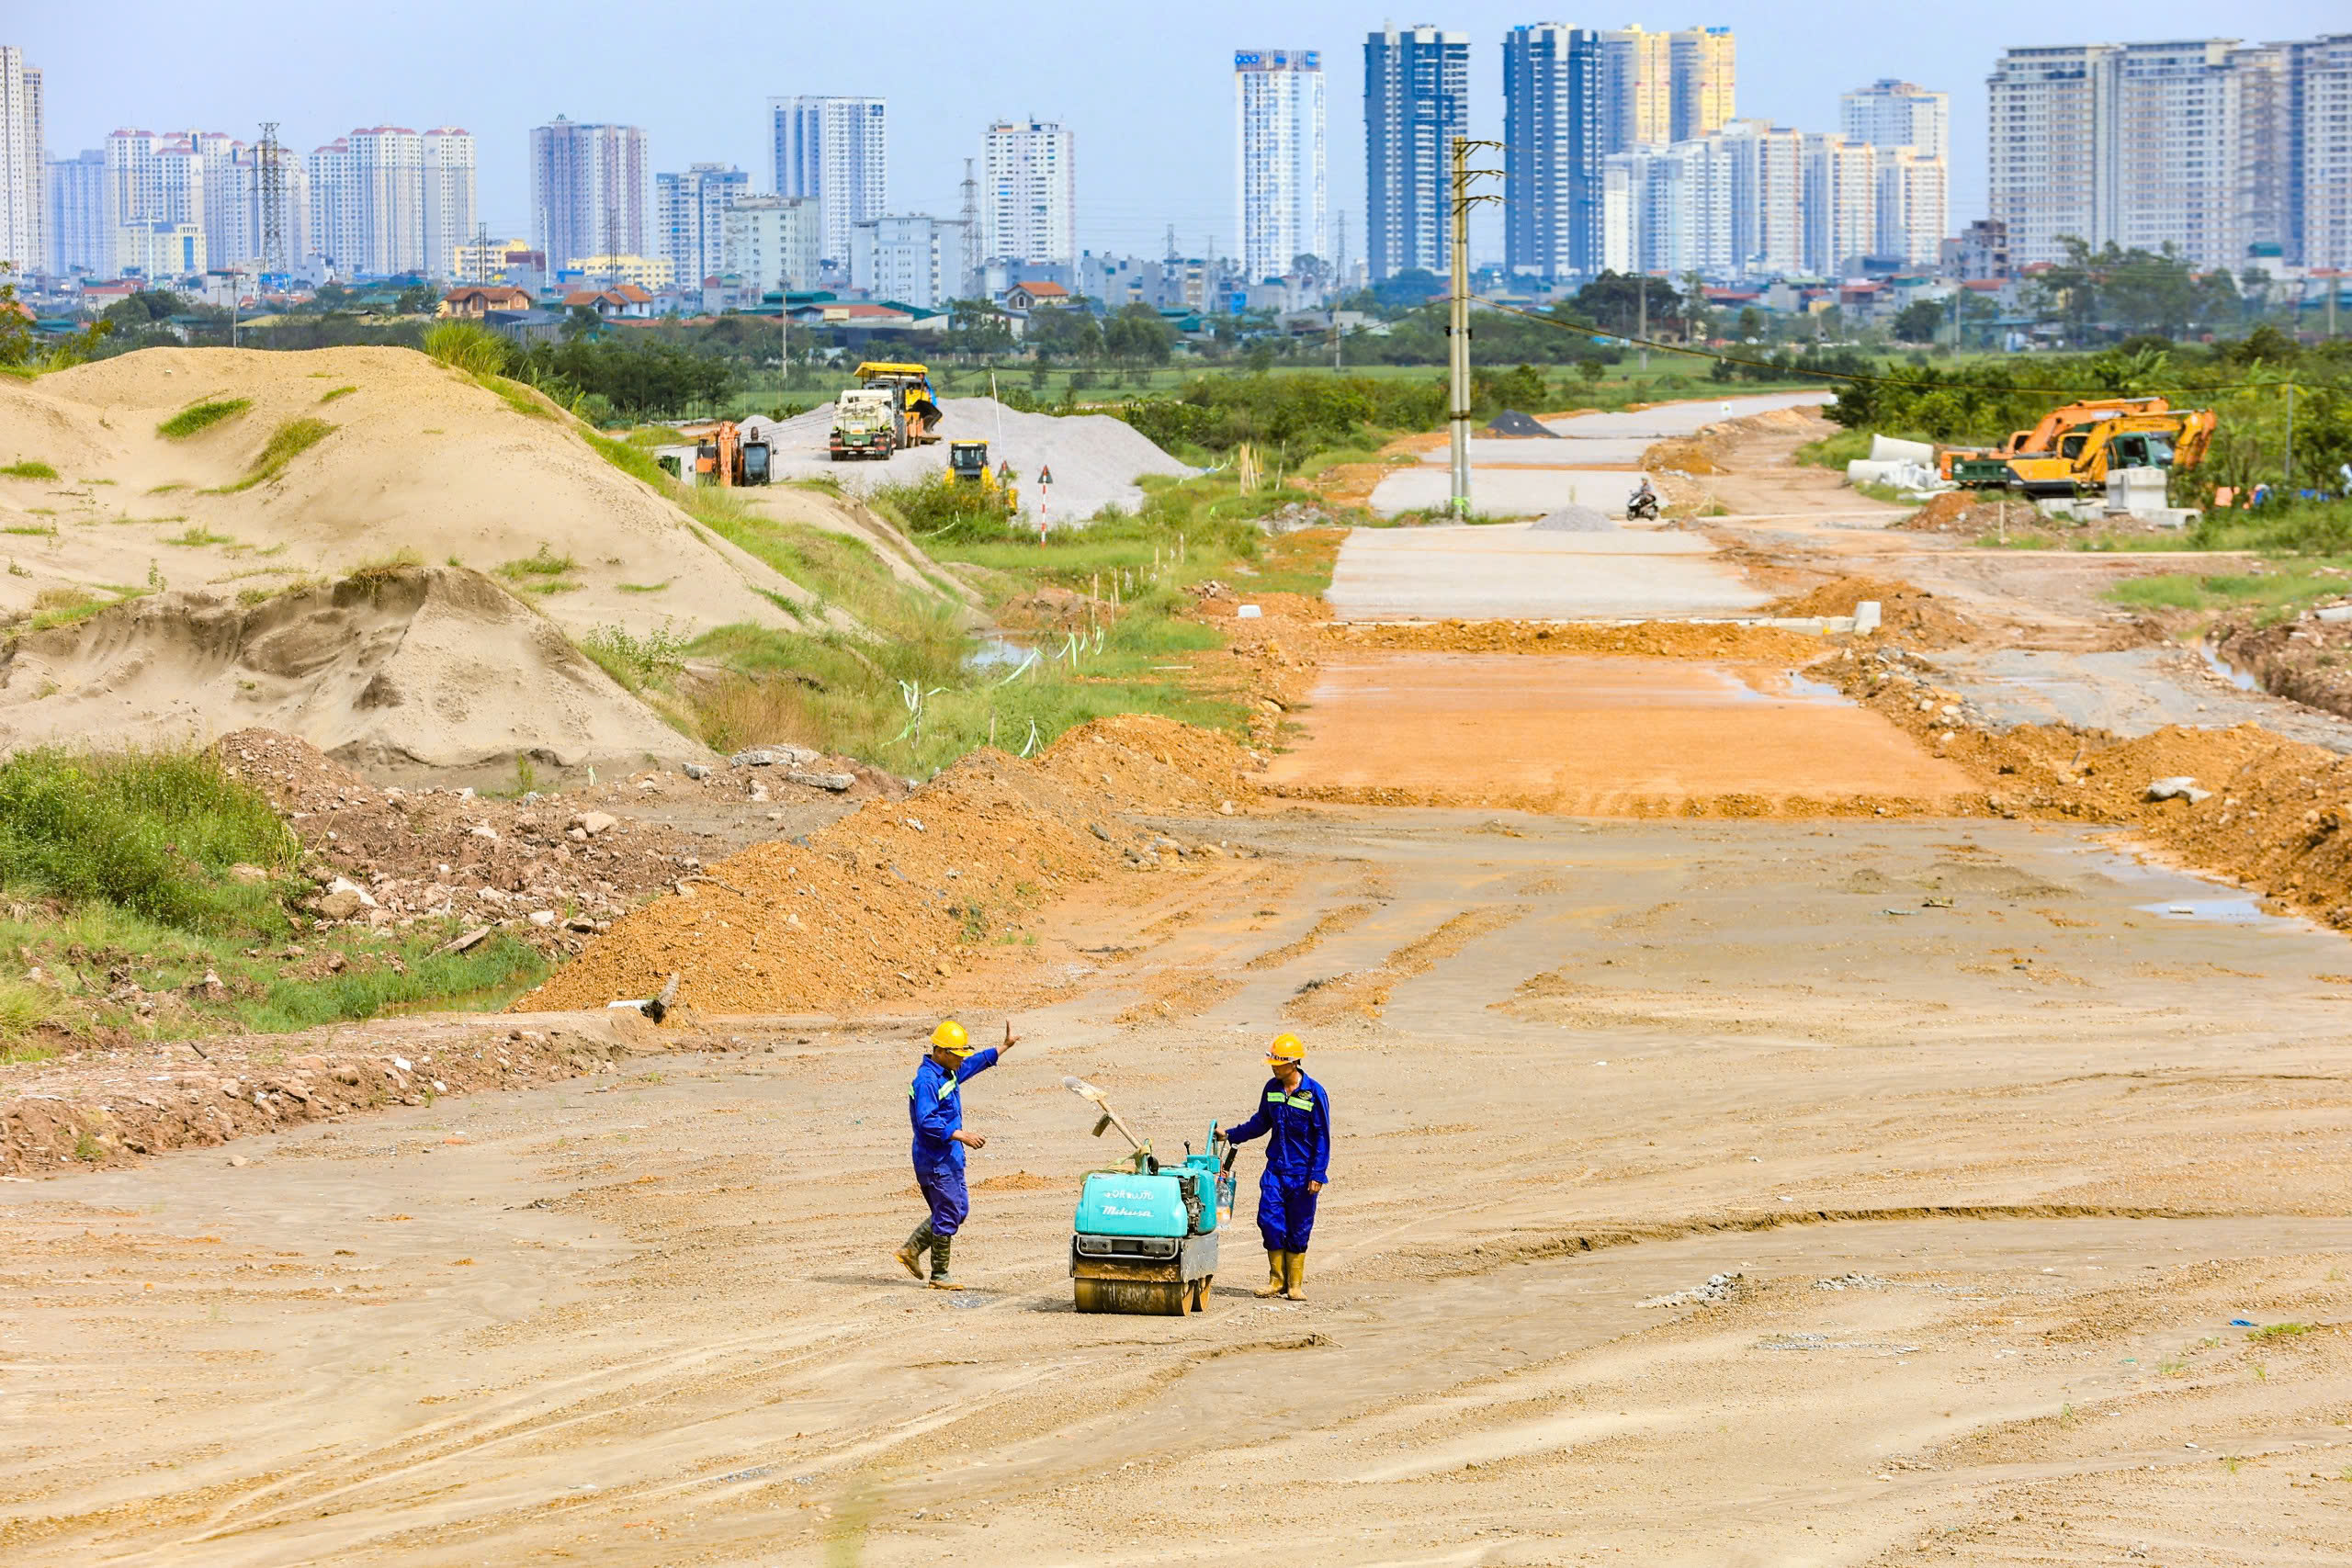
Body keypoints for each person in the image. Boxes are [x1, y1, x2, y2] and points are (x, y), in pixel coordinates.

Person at [895, 1018, 1019, 1290]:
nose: (962, 1060)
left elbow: (974, 1064)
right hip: (935, 1159)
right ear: (940, 1052)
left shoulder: (949, 1071)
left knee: (958, 1209)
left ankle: (911, 1249)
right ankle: (939, 1275)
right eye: (957, 1055)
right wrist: (960, 1134)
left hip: (949, 1157)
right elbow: (925, 1119)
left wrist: (1004, 1047)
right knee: (949, 1211)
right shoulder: (927, 1080)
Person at [1224, 1032, 1330, 1302]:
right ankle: (1276, 1280)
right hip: (1276, 1170)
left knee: (1299, 1225)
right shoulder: (1271, 1089)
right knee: (1268, 1220)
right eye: (1272, 1061)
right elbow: (1261, 1122)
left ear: (1293, 1063)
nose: (1273, 1066)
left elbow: (1322, 1136)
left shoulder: (1315, 1093)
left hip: (1303, 1172)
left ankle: (1294, 1285)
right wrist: (1232, 1135)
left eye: (1278, 1062)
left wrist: (1317, 1173)